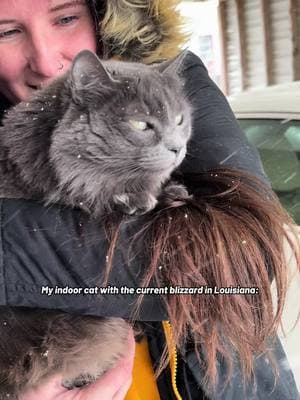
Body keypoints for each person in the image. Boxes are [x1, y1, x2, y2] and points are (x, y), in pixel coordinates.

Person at [0, 1, 299, 399]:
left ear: (103, 14)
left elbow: (238, 270)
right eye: (7, 31)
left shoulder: (171, 78)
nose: (46, 58)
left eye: (66, 19)